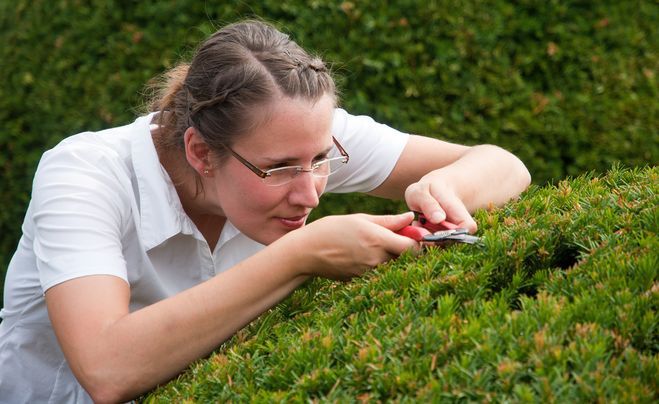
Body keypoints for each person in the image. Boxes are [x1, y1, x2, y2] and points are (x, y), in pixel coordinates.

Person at [0, 19, 531, 403]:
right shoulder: (84, 175)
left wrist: (442, 186)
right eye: (279, 170)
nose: (311, 193)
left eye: (322, 160)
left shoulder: (296, 138)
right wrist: (300, 255)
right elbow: (106, 368)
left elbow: (505, 165)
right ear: (200, 153)